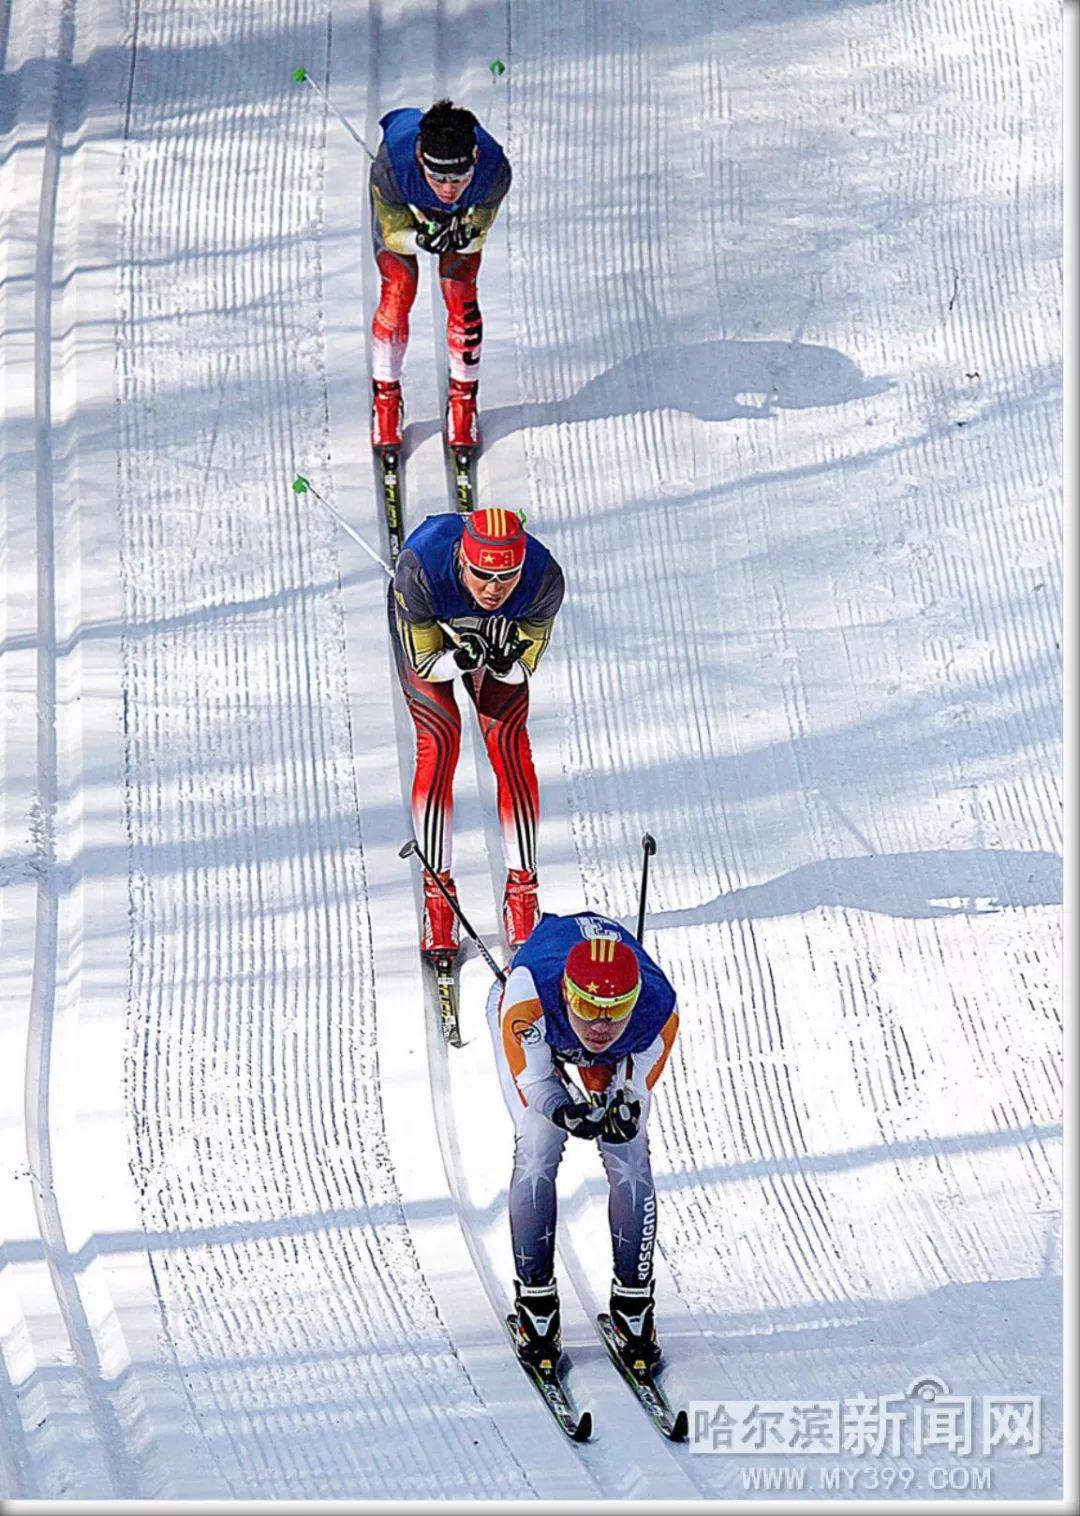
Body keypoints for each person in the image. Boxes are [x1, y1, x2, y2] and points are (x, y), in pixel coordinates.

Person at [489, 911, 680, 1373]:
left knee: (629, 1154)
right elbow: (535, 1081)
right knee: (539, 1143)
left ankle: (634, 1309)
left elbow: (634, 1095)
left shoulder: (659, 1010)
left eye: (615, 1011)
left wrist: (621, 1108)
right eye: (589, 1009)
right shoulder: (529, 997)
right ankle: (537, 1308)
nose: (600, 1024)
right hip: (543, 1031)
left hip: (616, 1054)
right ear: (566, 995)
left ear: (636, 1001)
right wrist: (563, 1108)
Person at [389, 508, 564, 955]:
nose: (493, 589)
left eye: (506, 577)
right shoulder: (419, 571)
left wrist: (502, 664)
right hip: (433, 634)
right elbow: (425, 663)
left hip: (492, 643)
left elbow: (524, 668)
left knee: (508, 743)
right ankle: (438, 897)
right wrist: (462, 661)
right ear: (462, 562)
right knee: (439, 740)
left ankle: (523, 892)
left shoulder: (544, 581)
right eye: (482, 574)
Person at [368, 99, 511, 453]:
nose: (448, 189)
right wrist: (418, 238)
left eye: (459, 178)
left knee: (462, 297)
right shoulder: (392, 168)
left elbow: (480, 228)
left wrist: (464, 235)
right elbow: (390, 234)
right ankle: (386, 400)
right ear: (421, 161)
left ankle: (464, 401)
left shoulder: (494, 172)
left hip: (461, 215)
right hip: (404, 209)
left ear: (474, 162)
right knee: (399, 290)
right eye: (438, 178)